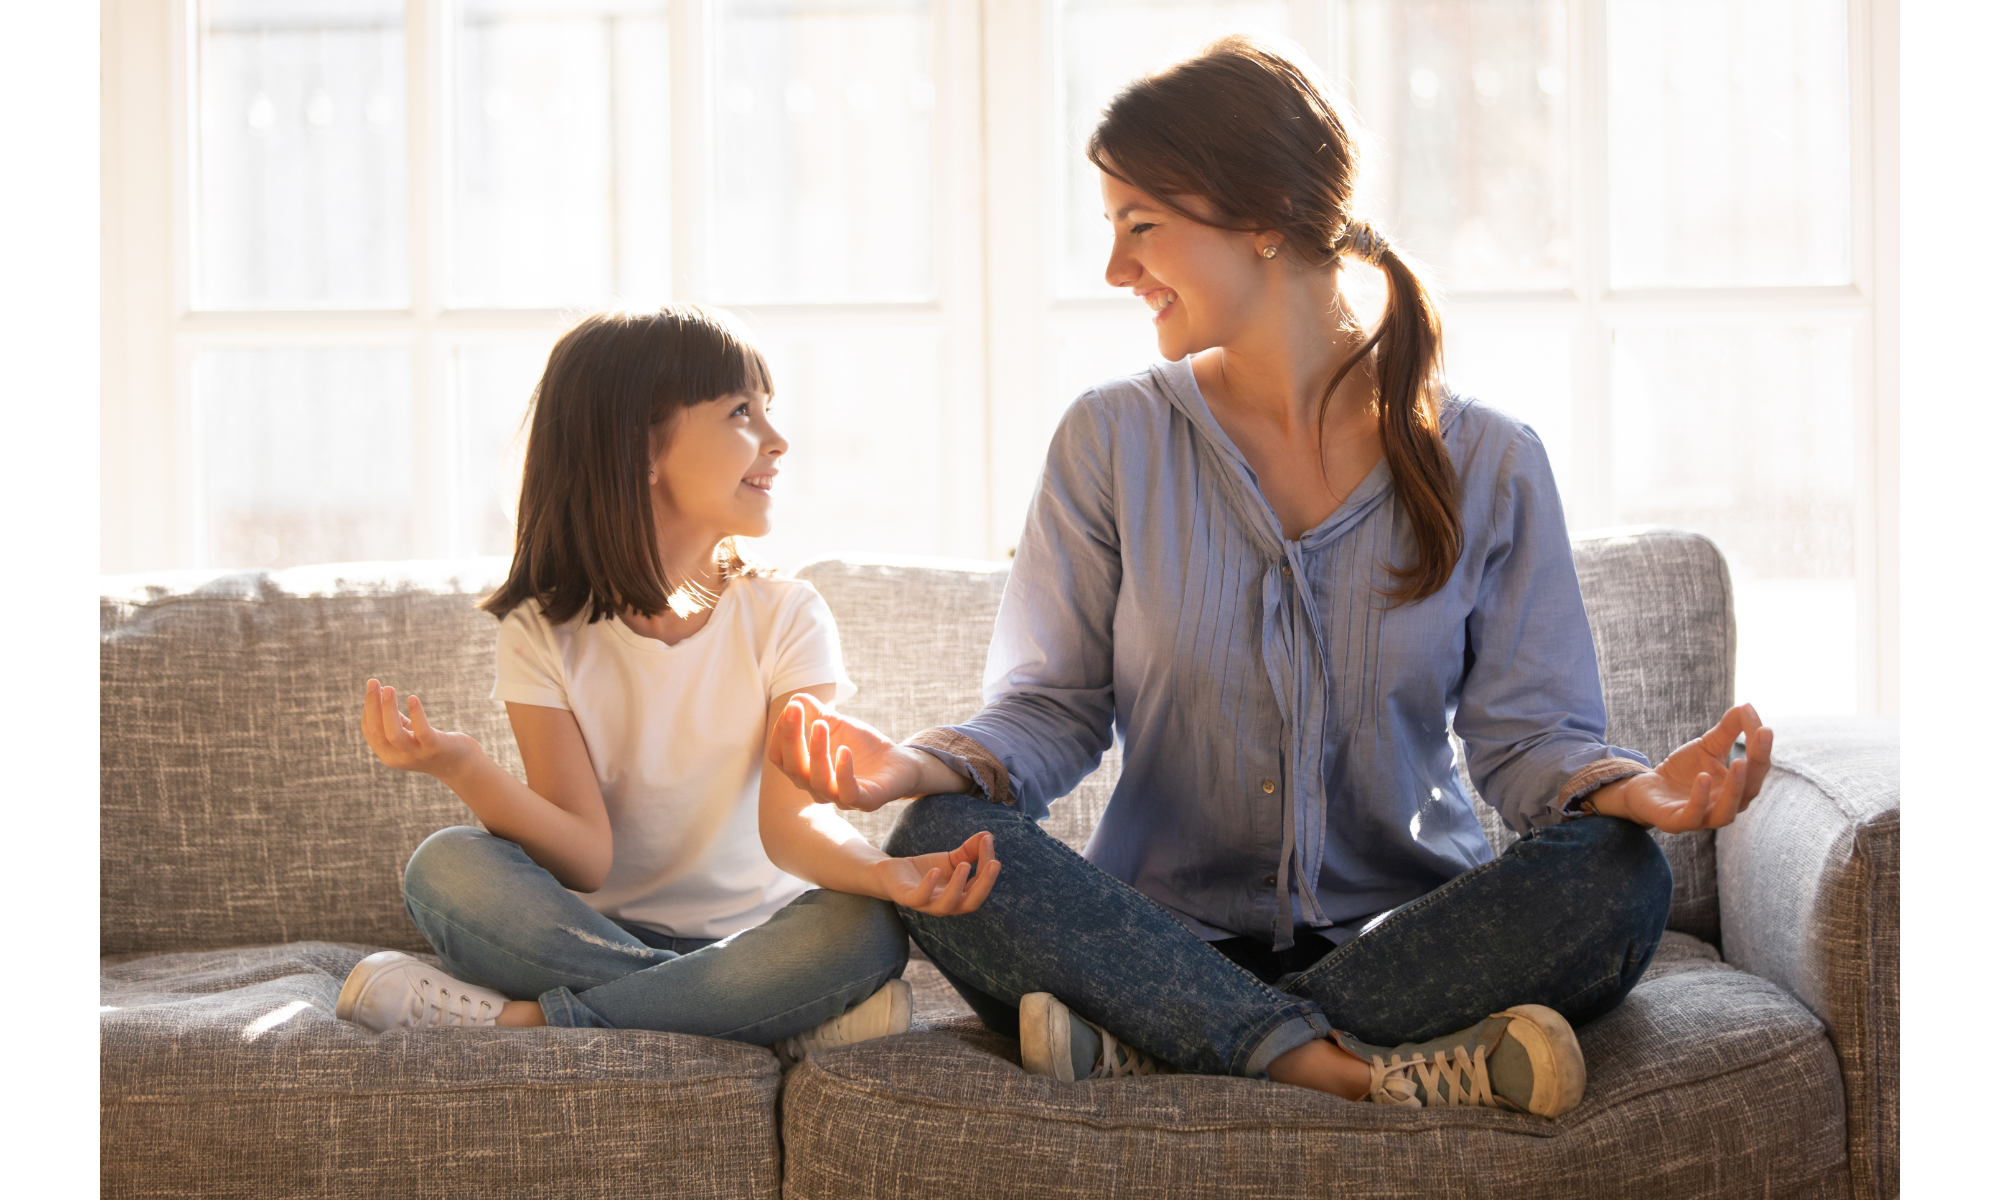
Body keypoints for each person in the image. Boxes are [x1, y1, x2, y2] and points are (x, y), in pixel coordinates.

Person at [766, 37, 1773, 1115]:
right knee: (935, 844)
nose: (1114, 269)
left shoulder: (1489, 461)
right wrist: (909, 770)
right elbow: (1054, 708)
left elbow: (1527, 742)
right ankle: (1356, 1063)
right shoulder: (1111, 439)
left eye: (1139, 225)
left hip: (1403, 937)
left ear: (1264, 218)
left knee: (1618, 875)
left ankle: (1165, 1042)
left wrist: (1639, 793)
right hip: (1150, 933)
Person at [336, 304, 1000, 1055]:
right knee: (444, 868)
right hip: (598, 932)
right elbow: (587, 856)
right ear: (641, 449)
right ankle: (759, 1012)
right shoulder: (541, 632)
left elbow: (792, 825)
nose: (778, 442)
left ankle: (536, 1021)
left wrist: (887, 877)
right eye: (742, 412)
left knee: (866, 928)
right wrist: (463, 766)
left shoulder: (787, 615)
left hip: (765, 932)